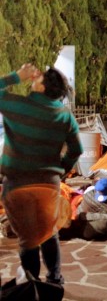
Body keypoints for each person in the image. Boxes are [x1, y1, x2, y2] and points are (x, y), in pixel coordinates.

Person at [0, 65, 83, 285]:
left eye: (39, 77)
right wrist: (60, 170)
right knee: (48, 233)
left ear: (42, 85)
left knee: (28, 240)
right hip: (48, 185)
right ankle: (55, 281)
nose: (34, 77)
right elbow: (76, 150)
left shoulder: (17, 106)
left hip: (18, 185)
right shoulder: (64, 115)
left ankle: (32, 284)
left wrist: (17, 76)